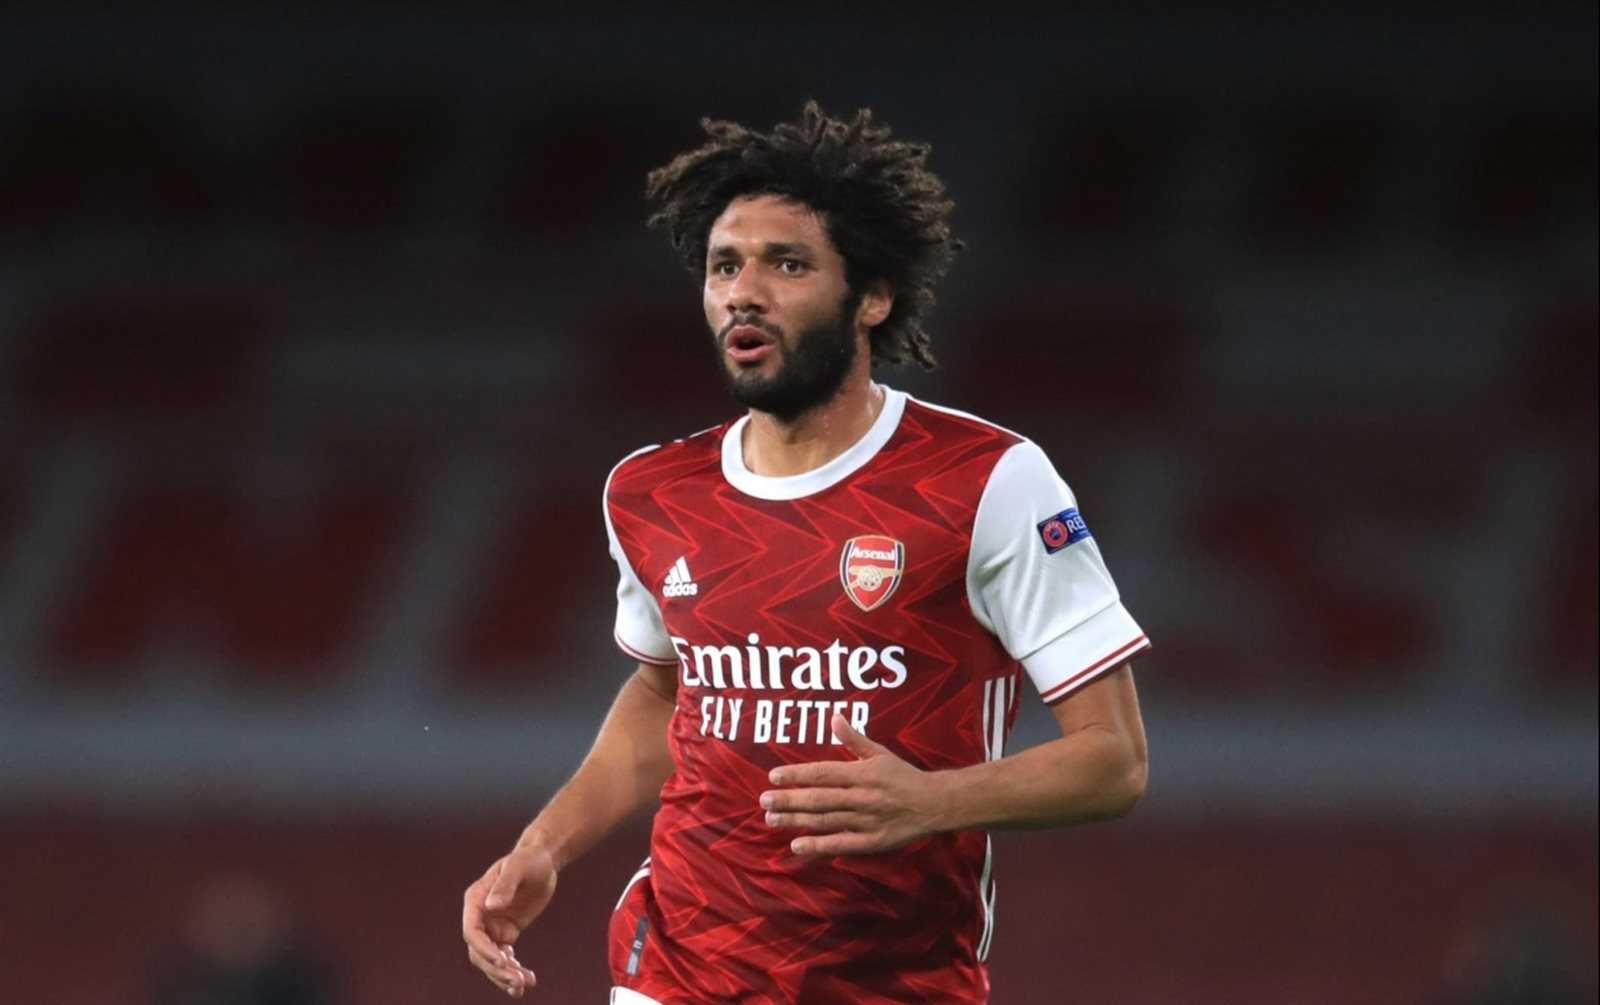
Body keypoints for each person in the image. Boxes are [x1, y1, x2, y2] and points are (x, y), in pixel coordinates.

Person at [462, 102, 1151, 1004]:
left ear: (872, 296)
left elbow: (1114, 760)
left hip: (897, 980)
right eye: (725, 266)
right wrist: (543, 847)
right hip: (678, 968)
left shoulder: (987, 480)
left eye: (787, 263)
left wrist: (931, 801)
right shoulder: (651, 490)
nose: (743, 291)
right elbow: (664, 694)